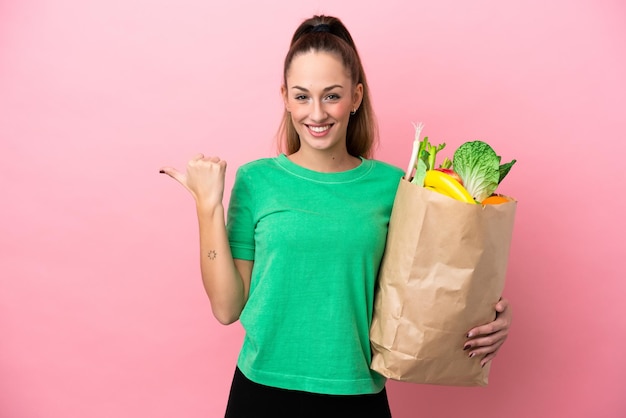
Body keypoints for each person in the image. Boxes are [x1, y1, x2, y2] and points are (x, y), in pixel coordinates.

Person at [160, 15, 512, 417]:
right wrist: (207, 207)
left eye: (331, 95)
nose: (316, 113)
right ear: (285, 97)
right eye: (302, 96)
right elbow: (226, 308)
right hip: (261, 394)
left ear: (356, 96)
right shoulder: (257, 181)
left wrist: (495, 317)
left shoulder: (397, 186)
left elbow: (431, 287)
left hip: (357, 395)